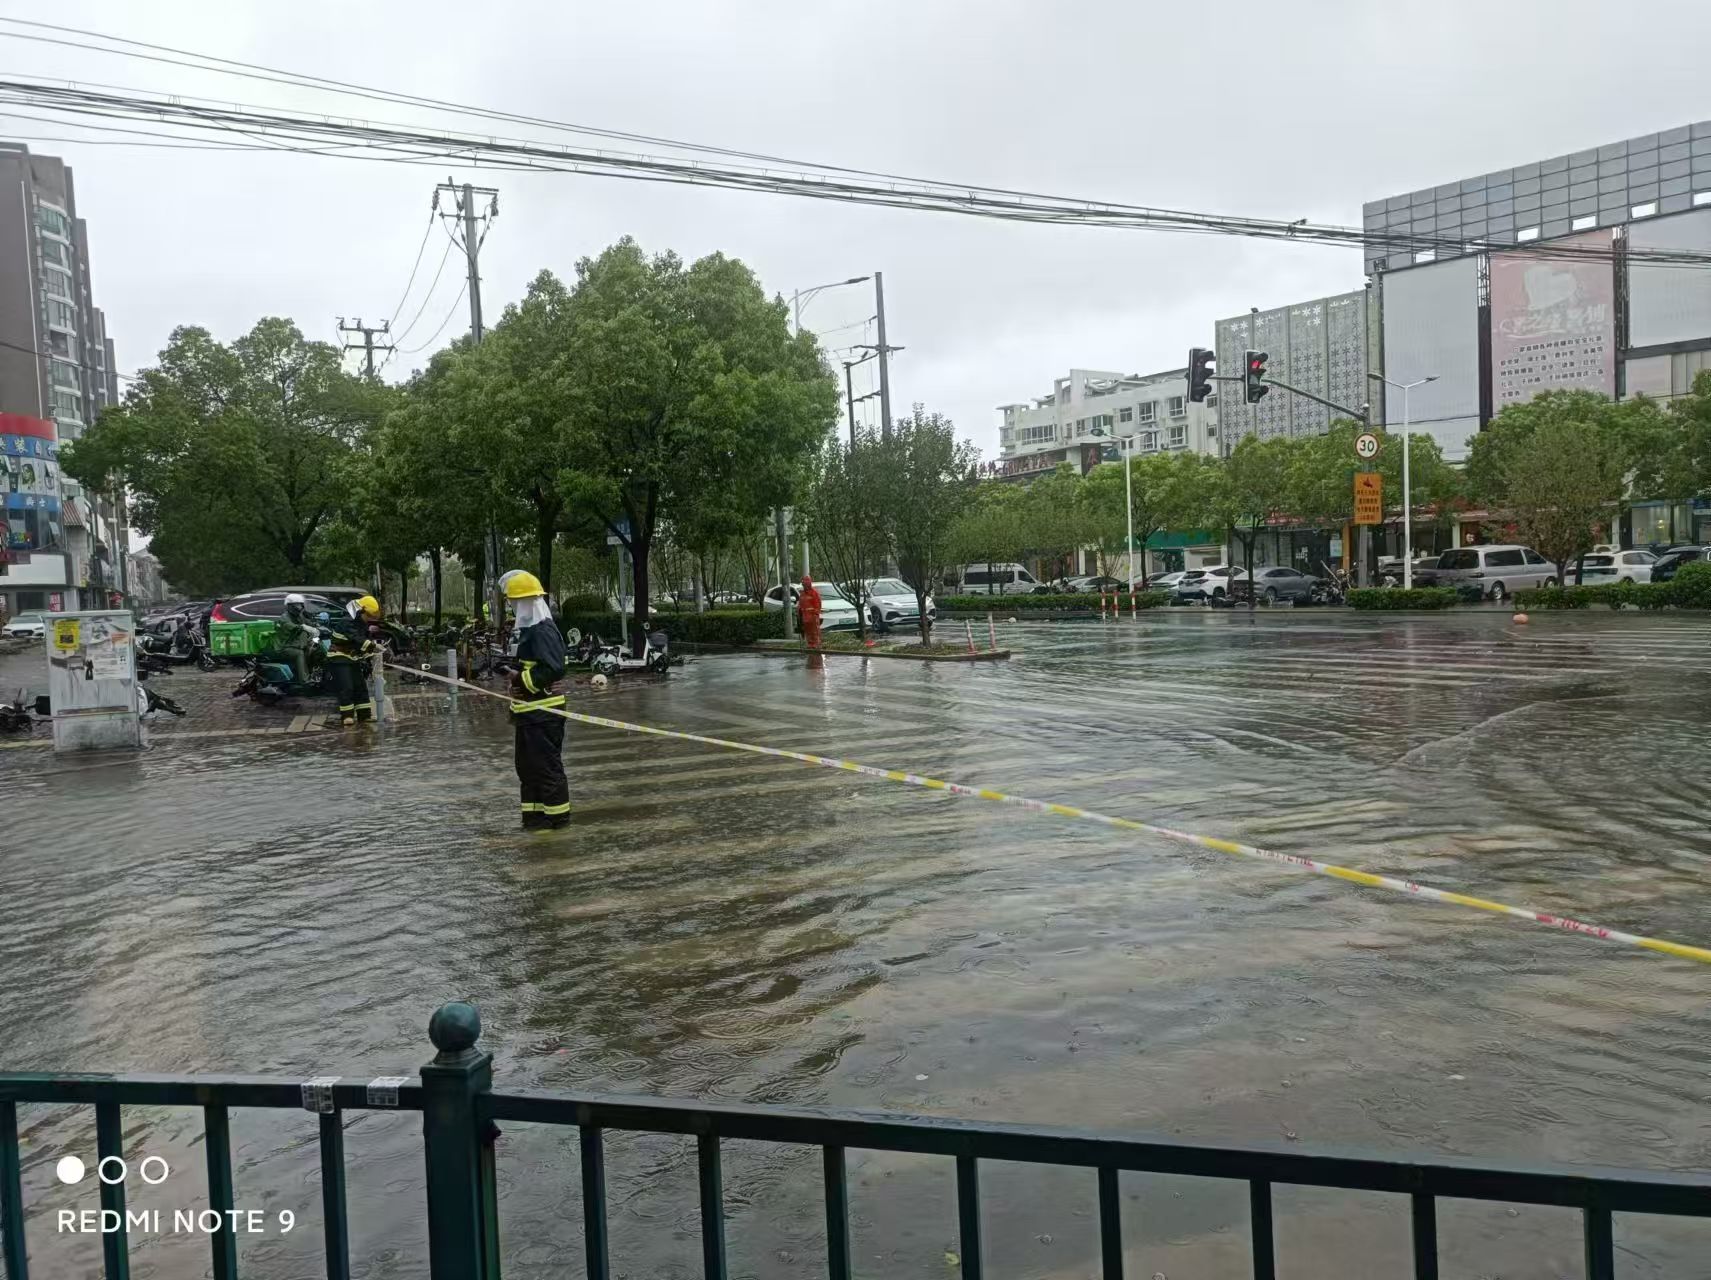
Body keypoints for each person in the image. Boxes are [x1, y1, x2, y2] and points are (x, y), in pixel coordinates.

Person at [501, 569, 570, 830]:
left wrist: (520, 680)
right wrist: (513, 680)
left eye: (514, 602)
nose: (512, 607)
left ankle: (558, 823)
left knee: (546, 770)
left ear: (525, 602)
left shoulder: (542, 630)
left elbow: (554, 668)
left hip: (543, 715)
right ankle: (534, 821)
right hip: (529, 714)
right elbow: (532, 666)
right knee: (528, 770)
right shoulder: (530, 630)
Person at [325, 594, 381, 726]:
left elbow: (362, 642)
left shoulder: (361, 623)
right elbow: (357, 639)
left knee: (360, 686)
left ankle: (364, 715)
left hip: (352, 658)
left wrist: (369, 656)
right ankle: (347, 716)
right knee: (346, 687)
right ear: (361, 611)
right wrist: (373, 646)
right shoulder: (347, 621)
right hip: (339, 657)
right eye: (368, 615)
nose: (369, 619)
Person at [269, 593, 318, 686]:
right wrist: (303, 627)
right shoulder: (284, 617)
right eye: (296, 605)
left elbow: (308, 623)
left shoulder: (299, 616)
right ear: (289, 606)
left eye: (300, 605)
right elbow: (291, 626)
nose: (299, 607)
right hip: (284, 647)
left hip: (296, 645)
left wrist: (316, 625)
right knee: (299, 653)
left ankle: (314, 674)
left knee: (314, 650)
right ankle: (304, 680)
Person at [797, 574, 823, 649]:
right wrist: (799, 613)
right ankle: (810, 646)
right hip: (805, 618)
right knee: (808, 633)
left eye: (806, 584)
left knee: (814, 633)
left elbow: (818, 605)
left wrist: (815, 614)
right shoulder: (802, 594)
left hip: (813, 618)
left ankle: (816, 646)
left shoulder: (814, 593)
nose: (804, 585)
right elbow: (800, 605)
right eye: (803, 584)